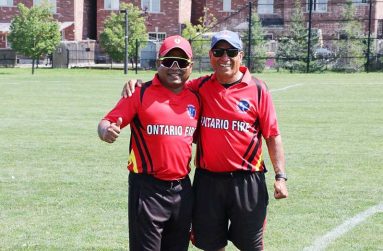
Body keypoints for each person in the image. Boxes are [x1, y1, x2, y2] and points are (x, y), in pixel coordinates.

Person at [123, 30, 288, 251]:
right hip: (208, 182)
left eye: (230, 52)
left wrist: (280, 176)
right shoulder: (198, 87)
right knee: (211, 244)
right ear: (210, 56)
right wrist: (138, 84)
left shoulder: (258, 90)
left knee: (252, 245)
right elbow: (168, 85)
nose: (224, 58)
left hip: (247, 180)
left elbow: (272, 135)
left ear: (241, 55)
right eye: (218, 52)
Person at [98, 35, 200, 251]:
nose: (175, 67)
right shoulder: (139, 93)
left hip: (182, 189)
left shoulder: (196, 97)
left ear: (191, 66)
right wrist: (106, 131)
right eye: (168, 60)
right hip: (147, 189)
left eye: (181, 62)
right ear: (157, 63)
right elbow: (106, 121)